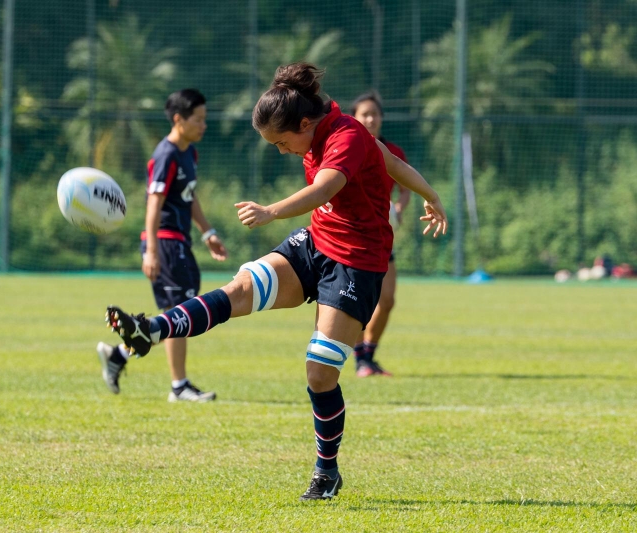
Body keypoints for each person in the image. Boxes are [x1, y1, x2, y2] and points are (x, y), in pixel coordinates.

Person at [104, 63, 447, 500]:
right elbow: (390, 160)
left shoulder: (345, 136)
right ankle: (151, 330)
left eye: (283, 142)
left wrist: (271, 211)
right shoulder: (318, 131)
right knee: (240, 288)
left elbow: (330, 186)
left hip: (356, 264)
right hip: (314, 243)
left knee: (320, 373)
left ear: (305, 123)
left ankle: (327, 471)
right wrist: (431, 196)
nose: (283, 151)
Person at [96, 88, 228, 402]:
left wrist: (207, 232)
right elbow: (153, 204)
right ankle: (178, 386)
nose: (203, 125)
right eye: (198, 119)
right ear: (179, 119)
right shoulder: (165, 154)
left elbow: (189, 195)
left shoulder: (189, 153)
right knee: (180, 312)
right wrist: (152, 250)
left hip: (180, 242)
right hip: (166, 244)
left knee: (178, 315)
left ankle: (119, 355)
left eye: (205, 119)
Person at [350, 91, 411, 377]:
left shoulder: (394, 152)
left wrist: (398, 208)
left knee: (386, 300)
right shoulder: (347, 149)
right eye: (365, 114)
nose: (371, 119)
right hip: (350, 237)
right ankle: (359, 358)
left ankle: (368, 356)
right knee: (354, 302)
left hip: (381, 237)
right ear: (354, 118)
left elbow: (405, 185)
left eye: (375, 114)